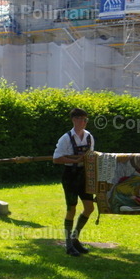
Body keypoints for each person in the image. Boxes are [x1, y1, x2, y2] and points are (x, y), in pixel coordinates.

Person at [53, 107, 95, 256]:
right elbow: (56, 158)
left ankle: (75, 238)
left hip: (84, 175)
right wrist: (75, 159)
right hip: (70, 175)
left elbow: (91, 157)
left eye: (85, 120)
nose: (84, 122)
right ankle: (69, 244)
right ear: (74, 120)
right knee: (71, 208)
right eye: (81, 119)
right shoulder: (65, 138)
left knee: (89, 208)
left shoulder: (89, 137)